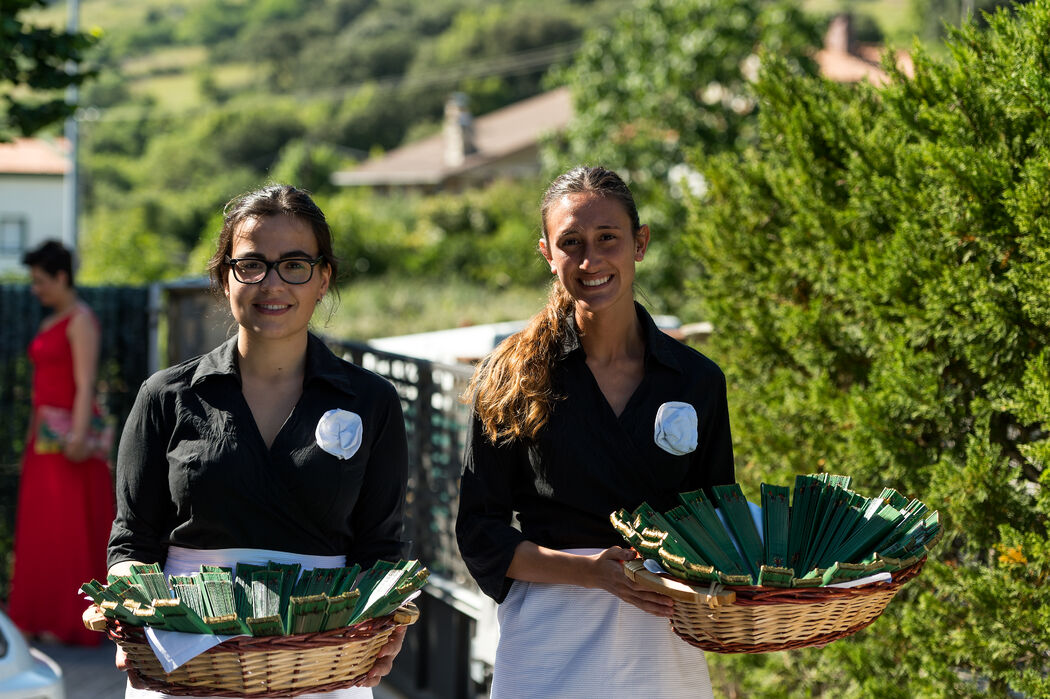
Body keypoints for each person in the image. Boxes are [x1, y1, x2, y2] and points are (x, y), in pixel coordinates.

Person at [107, 185, 408, 698]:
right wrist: (136, 615)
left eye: (295, 264)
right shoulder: (165, 396)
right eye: (252, 265)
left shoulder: (372, 400)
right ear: (225, 278)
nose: (273, 283)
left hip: (321, 662)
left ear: (323, 278)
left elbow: (380, 547)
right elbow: (131, 541)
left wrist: (386, 630)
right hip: (185, 661)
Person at [455, 166, 735, 698]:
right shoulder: (510, 377)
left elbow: (717, 520)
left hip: (665, 633)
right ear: (547, 253)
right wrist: (593, 574)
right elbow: (480, 534)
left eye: (608, 238)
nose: (591, 260)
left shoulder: (698, 380)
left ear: (640, 243)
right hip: (548, 635)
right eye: (571, 243)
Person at [8, 240, 115, 646]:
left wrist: (76, 437)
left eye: (40, 281)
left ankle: (74, 620)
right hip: (43, 444)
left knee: (68, 529)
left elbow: (86, 383)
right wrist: (31, 440)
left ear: (61, 277)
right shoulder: (49, 321)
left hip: (70, 443)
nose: (35, 289)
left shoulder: (81, 320)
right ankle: (42, 617)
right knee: (44, 530)